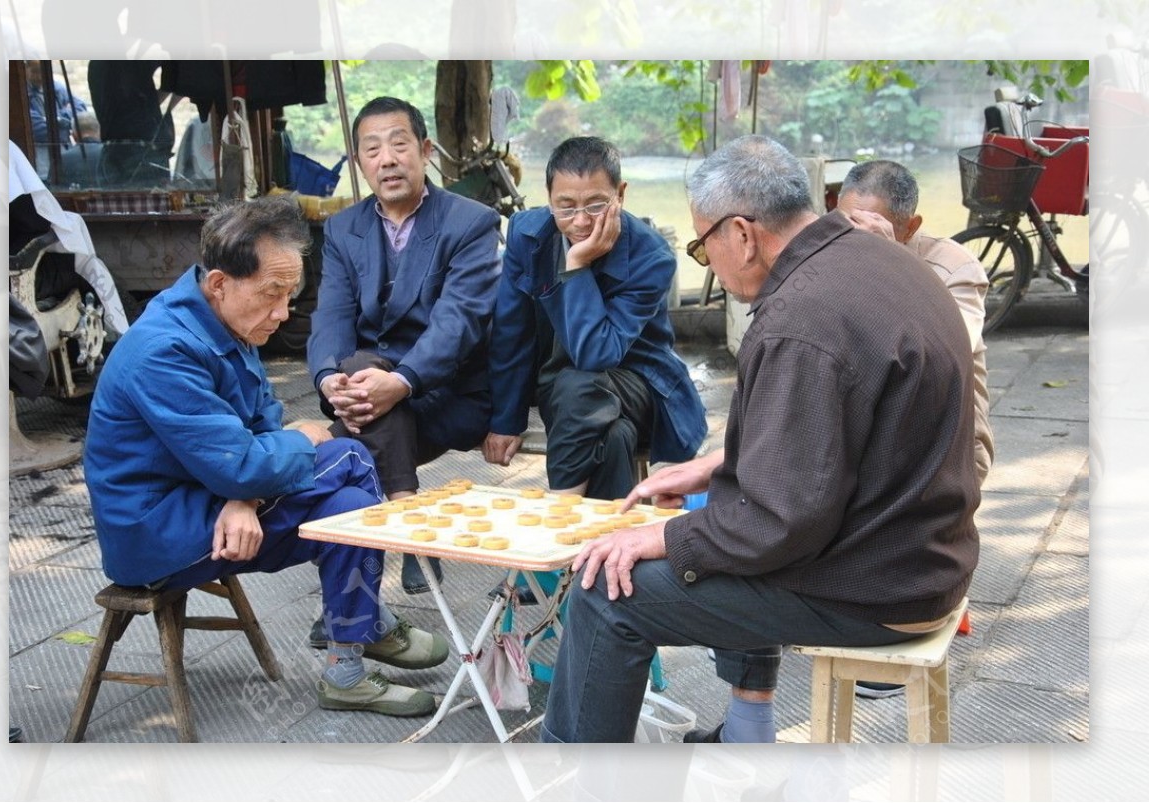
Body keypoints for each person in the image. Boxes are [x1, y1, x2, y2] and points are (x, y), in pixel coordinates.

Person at [540, 135, 980, 743]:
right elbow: (844, 431)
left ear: (742, 234)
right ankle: (746, 729)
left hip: (877, 582)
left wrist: (662, 536)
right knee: (708, 505)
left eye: (703, 245)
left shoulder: (800, 318)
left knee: (606, 590)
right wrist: (718, 465)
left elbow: (776, 524)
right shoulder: (881, 256)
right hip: (925, 551)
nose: (708, 263)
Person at [83, 195, 449, 718]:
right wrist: (293, 446)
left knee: (345, 505)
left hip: (209, 502)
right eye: (271, 294)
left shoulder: (226, 322)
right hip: (154, 532)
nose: (282, 312)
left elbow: (258, 427)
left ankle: (346, 664)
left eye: (288, 295)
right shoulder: (163, 351)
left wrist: (247, 497)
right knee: (347, 454)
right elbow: (245, 461)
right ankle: (361, 621)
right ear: (219, 284)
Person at [307, 96, 502, 599]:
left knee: (341, 451)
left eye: (398, 144)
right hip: (374, 394)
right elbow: (330, 315)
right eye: (372, 149)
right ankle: (409, 521)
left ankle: (351, 611)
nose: (387, 159)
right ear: (358, 163)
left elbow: (458, 323)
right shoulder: (342, 229)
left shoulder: (471, 223)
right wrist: (331, 380)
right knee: (356, 377)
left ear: (425, 149)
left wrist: (400, 381)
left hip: (446, 392)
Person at [836, 158, 993, 700]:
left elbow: (940, 348)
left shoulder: (954, 266)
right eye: (845, 223)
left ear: (911, 226)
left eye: (874, 228)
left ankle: (885, 613)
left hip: (946, 445)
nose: (855, 239)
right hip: (872, 430)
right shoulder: (834, 256)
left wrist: (886, 265)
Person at [483, 135, 706, 503]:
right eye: (565, 206)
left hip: (639, 383)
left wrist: (577, 265)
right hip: (562, 388)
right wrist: (506, 421)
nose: (581, 221)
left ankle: (560, 524)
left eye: (596, 204)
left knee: (580, 383)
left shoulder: (651, 257)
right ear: (548, 197)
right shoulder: (527, 235)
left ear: (621, 193)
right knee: (614, 436)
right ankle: (602, 552)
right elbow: (512, 332)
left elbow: (596, 354)